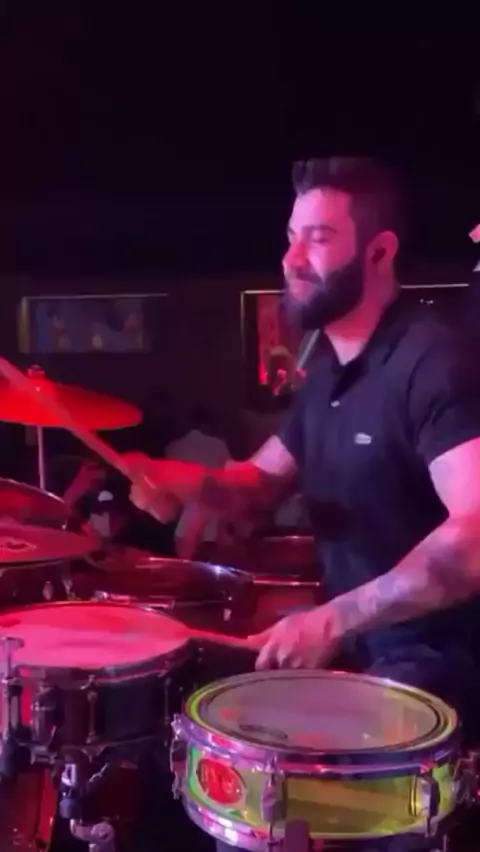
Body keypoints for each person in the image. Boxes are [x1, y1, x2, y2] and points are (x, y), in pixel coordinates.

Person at [125, 157, 480, 847]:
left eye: (317, 238)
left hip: (434, 669)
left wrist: (334, 619)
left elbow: (475, 533)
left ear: (379, 252)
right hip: (359, 650)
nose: (290, 258)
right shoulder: (327, 375)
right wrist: (176, 478)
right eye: (292, 237)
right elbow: (259, 481)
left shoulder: (432, 361)